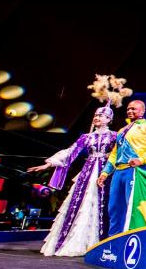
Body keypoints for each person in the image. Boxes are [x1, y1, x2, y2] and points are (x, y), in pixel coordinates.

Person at [28, 105, 117, 255]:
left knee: (102, 203)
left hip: (105, 172)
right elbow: (70, 152)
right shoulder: (86, 137)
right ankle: (73, 241)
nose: (97, 118)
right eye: (95, 115)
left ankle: (101, 243)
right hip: (87, 173)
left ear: (109, 119)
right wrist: (48, 164)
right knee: (81, 202)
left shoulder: (115, 136)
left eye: (101, 116)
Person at [96, 100, 146, 237]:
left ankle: (132, 238)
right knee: (114, 208)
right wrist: (105, 172)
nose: (130, 111)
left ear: (142, 111)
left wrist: (141, 160)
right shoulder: (121, 131)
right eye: (128, 109)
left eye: (134, 109)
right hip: (119, 172)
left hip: (136, 171)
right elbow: (115, 153)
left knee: (132, 206)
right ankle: (113, 241)